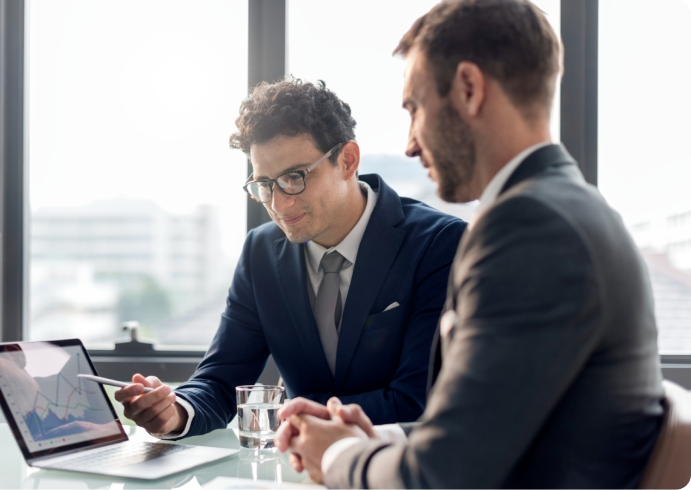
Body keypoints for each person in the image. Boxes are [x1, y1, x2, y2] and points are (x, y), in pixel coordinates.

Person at [274, 1, 665, 489]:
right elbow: (490, 428)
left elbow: (444, 475)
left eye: (414, 108)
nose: (410, 144)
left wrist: (337, 456)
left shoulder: (530, 228)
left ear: (469, 89)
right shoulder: (566, 209)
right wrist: (376, 437)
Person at [113, 79, 466, 439]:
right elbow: (220, 379)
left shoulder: (439, 245)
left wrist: (295, 417)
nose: (280, 205)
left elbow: (418, 401)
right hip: (298, 471)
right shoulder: (260, 252)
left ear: (347, 160)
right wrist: (174, 411)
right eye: (264, 184)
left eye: (294, 178)